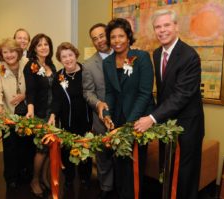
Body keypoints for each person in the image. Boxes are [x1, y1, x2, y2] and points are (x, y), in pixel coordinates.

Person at [134, 9, 205, 199]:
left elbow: (182, 95)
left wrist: (152, 118)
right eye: (158, 26)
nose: (162, 30)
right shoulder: (157, 54)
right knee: (167, 169)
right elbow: (164, 93)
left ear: (176, 27)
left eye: (166, 25)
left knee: (185, 175)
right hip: (166, 123)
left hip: (188, 125)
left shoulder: (190, 56)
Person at [102, 18, 154, 199]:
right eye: (113, 37)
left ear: (128, 37)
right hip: (117, 119)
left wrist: (129, 124)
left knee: (135, 165)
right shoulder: (107, 62)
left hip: (139, 120)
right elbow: (109, 92)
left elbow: (145, 93)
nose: (117, 40)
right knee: (119, 162)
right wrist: (107, 114)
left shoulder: (142, 58)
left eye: (121, 36)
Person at [48, 42, 93, 192]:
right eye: (64, 57)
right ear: (60, 59)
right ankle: (68, 178)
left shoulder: (86, 72)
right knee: (67, 151)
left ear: (75, 55)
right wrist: (53, 114)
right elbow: (56, 99)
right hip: (67, 121)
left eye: (70, 55)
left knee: (85, 150)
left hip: (86, 120)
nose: (68, 59)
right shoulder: (59, 76)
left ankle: (85, 178)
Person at [0, 38, 28, 189]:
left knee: (26, 145)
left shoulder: (27, 63)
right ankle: (11, 178)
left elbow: (37, 85)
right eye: (5, 52)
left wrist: (25, 96)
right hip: (9, 112)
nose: (9, 55)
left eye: (12, 51)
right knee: (10, 147)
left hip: (27, 112)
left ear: (18, 52)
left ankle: (26, 174)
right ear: (1, 54)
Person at [82, 23, 114, 199]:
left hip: (124, 116)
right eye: (95, 38)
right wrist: (98, 103)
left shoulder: (125, 57)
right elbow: (88, 91)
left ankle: (122, 187)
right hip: (101, 117)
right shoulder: (88, 65)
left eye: (102, 35)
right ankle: (106, 187)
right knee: (103, 155)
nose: (99, 40)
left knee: (123, 154)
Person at [23, 33, 56, 198]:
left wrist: (55, 113)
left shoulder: (52, 65)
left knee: (50, 148)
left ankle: (44, 177)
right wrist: (30, 110)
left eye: (46, 44)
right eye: (39, 45)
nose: (44, 47)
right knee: (41, 149)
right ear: (34, 48)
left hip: (53, 114)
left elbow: (56, 91)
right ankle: (35, 180)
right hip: (40, 114)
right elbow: (30, 91)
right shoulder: (31, 66)